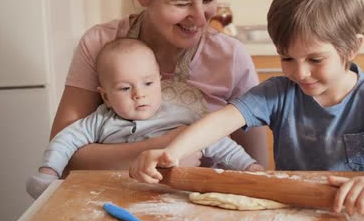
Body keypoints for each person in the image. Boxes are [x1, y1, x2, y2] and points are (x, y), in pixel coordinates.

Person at [129, 0, 364, 216]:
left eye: (315, 60)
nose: (300, 73)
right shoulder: (279, 92)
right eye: (287, 58)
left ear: (352, 48)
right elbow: (220, 122)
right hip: (293, 211)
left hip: (358, 210)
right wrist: (173, 152)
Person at [49, 0, 269, 174]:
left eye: (208, 0)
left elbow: (256, 166)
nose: (199, 19)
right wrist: (167, 149)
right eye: (182, 3)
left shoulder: (231, 57)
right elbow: (63, 156)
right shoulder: (99, 44)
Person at [27, 38, 263, 199]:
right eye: (124, 88)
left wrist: (249, 166)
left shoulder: (182, 115)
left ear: (160, 81)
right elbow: (64, 140)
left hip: (172, 196)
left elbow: (218, 142)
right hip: (112, 195)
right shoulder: (99, 121)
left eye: (148, 83)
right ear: (106, 96)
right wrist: (48, 172)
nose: (139, 94)